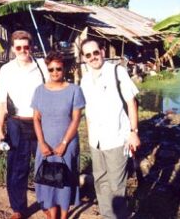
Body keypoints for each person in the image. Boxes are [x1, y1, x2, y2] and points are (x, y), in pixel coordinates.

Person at [80, 38, 141, 219]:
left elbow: (132, 103)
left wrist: (134, 132)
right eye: (88, 55)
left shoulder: (117, 71)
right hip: (96, 141)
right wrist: (90, 137)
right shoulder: (84, 80)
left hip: (116, 139)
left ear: (103, 52)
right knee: (101, 183)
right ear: (84, 58)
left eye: (95, 53)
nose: (93, 57)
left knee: (116, 187)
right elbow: (88, 111)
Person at [0, 30, 48, 219]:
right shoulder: (6, 70)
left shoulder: (42, 66)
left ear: (32, 47)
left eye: (26, 46)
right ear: (13, 49)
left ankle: (49, 203)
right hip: (16, 123)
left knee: (46, 164)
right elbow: (1, 103)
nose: (23, 50)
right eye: (19, 48)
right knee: (17, 167)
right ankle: (18, 209)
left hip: (41, 122)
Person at [31, 51, 85, 219]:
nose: (55, 72)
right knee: (48, 182)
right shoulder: (39, 91)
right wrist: (41, 143)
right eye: (51, 69)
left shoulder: (75, 90)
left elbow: (76, 120)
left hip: (67, 144)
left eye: (58, 69)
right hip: (45, 144)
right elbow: (36, 119)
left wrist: (64, 143)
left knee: (65, 181)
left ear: (64, 69)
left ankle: (64, 216)